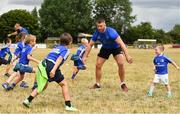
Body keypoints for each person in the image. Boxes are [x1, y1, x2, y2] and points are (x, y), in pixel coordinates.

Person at [22, 33, 78, 112]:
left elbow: (48, 56)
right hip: (51, 66)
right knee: (64, 84)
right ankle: (68, 105)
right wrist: (54, 70)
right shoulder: (66, 50)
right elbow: (60, 58)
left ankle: (27, 100)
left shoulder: (57, 48)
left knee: (43, 85)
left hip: (44, 64)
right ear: (70, 42)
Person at [82, 18, 133, 92]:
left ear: (104, 25)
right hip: (105, 48)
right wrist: (84, 57)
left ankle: (123, 84)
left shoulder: (111, 32)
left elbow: (121, 43)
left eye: (101, 26)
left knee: (121, 63)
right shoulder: (97, 33)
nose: (99, 28)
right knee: (98, 65)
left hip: (116, 48)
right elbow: (90, 45)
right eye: (98, 26)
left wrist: (127, 55)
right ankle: (97, 84)